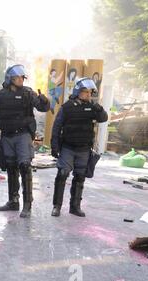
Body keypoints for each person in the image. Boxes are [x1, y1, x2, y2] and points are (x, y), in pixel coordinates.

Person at [0, 64, 50, 218]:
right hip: (7, 136)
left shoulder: (28, 93)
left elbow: (42, 108)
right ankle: (13, 201)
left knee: (25, 165)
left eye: (22, 77)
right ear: (10, 79)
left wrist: (44, 101)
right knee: (11, 168)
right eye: (17, 78)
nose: (21, 80)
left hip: (23, 135)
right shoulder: (1, 95)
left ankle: (27, 204)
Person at [50, 78, 108, 218]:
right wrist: (55, 145)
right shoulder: (67, 107)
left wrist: (98, 107)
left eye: (90, 92)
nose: (88, 95)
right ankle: (56, 207)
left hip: (84, 149)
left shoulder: (93, 107)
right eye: (85, 92)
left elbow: (103, 118)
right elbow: (57, 126)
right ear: (78, 92)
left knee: (80, 177)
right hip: (68, 148)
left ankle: (75, 207)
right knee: (62, 174)